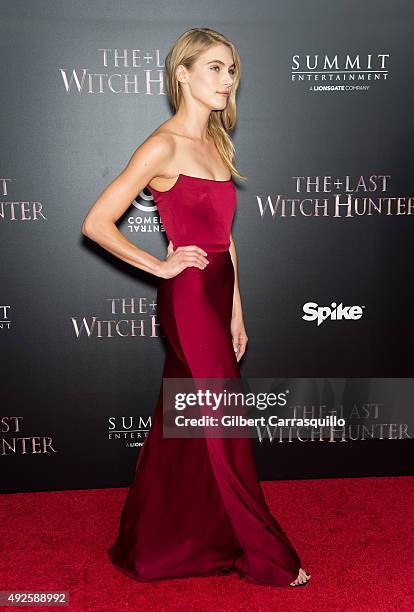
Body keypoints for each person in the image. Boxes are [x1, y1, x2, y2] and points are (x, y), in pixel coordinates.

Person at [81, 27, 311, 588]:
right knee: (223, 424)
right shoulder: (162, 145)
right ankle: (266, 556)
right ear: (181, 73)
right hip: (186, 299)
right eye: (214, 67)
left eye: (231, 70)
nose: (227, 80)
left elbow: (225, 240)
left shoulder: (214, 144)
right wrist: (159, 266)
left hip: (217, 294)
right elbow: (96, 222)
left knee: (184, 423)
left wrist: (237, 310)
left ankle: (159, 540)